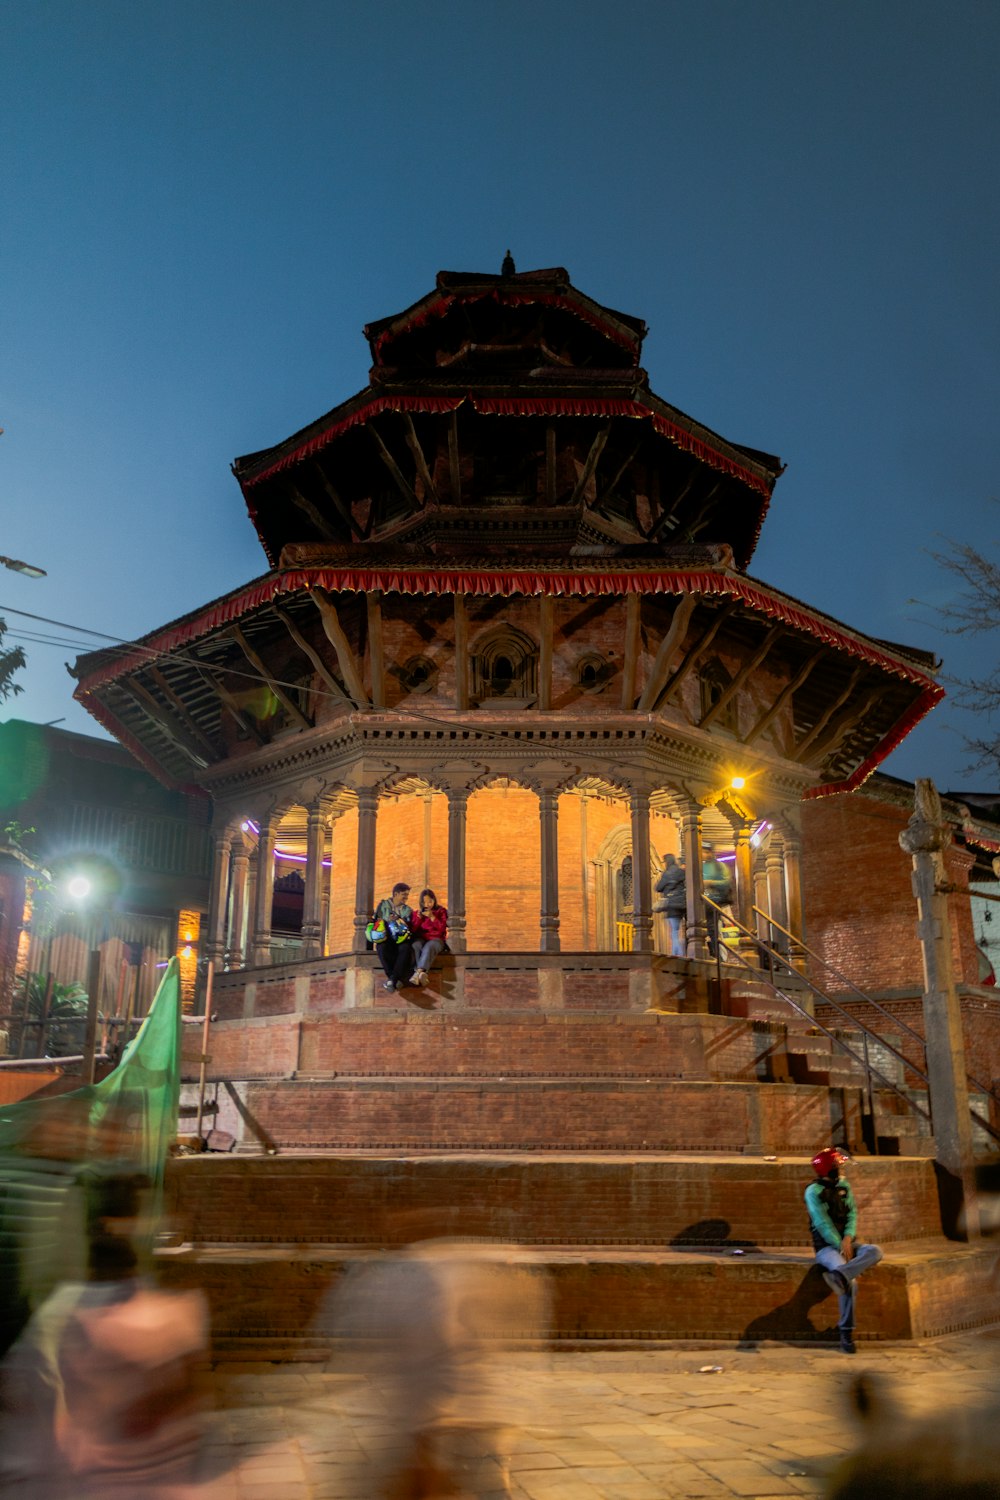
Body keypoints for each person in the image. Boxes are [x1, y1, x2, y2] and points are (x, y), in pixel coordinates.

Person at [805, 1148, 883, 1354]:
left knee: (875, 1252)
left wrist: (848, 1237)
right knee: (852, 1285)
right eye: (838, 1166)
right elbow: (822, 1223)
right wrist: (840, 1244)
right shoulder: (813, 1192)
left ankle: (840, 1275)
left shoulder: (843, 1186)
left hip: (847, 1243)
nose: (841, 1169)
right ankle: (846, 1331)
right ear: (828, 1169)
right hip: (827, 1247)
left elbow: (852, 1213)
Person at [371, 882, 414, 992]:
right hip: (386, 937)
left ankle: (392, 980)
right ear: (396, 894)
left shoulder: (407, 910)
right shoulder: (383, 905)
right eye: (404, 894)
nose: (406, 897)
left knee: (405, 949)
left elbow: (410, 924)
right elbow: (376, 920)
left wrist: (399, 919)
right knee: (381, 947)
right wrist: (387, 920)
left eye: (407, 895)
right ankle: (394, 978)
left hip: (401, 938)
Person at [410, 888, 448, 987]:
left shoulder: (441, 911)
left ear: (434, 900)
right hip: (422, 938)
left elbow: (442, 929)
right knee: (416, 945)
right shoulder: (417, 913)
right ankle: (422, 974)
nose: (427, 905)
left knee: (429, 946)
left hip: (436, 939)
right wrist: (418, 919)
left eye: (430, 901)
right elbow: (413, 930)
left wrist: (432, 917)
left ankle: (418, 973)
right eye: (424, 902)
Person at [701, 844, 731, 958]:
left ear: (711, 852)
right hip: (704, 902)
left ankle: (721, 958)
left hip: (715, 902)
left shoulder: (720, 866)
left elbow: (726, 883)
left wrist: (711, 882)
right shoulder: (701, 866)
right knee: (708, 930)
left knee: (715, 929)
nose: (704, 854)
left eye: (706, 852)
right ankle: (713, 955)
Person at [654, 854, 686, 958]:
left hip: (671, 905)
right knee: (683, 930)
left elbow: (658, 888)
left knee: (674, 931)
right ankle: (680, 953)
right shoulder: (681, 872)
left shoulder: (667, 874)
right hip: (683, 904)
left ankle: (677, 954)